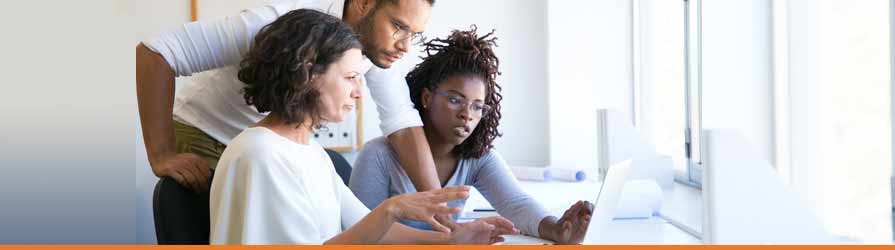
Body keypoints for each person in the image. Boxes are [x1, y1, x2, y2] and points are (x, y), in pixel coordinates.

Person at [136, 0, 459, 229]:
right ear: (364, 3)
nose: (405, 46)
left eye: (413, 34)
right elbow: (158, 51)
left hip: (275, 143)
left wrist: (442, 214)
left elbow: (401, 121)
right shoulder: (278, 23)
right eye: (399, 26)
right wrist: (161, 152)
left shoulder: (375, 48)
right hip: (208, 133)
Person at [208, 9, 515, 244]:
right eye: (350, 77)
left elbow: (369, 230)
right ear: (309, 74)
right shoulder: (261, 154)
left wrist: (453, 240)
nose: (358, 91)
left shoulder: (311, 152)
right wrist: (392, 208)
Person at [348, 27, 594, 244]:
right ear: (426, 98)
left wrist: (556, 229)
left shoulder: (478, 157)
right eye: (455, 100)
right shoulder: (378, 156)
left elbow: (516, 204)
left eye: (478, 106)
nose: (467, 115)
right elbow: (360, 232)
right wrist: (449, 241)